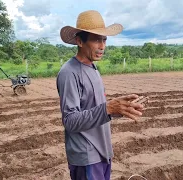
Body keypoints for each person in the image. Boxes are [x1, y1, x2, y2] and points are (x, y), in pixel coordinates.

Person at [56, 10, 144, 180]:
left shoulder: (93, 68)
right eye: (96, 39)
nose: (102, 46)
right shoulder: (69, 73)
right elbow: (70, 121)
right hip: (86, 155)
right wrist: (108, 107)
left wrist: (118, 110)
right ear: (79, 41)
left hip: (102, 149)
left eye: (104, 40)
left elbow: (96, 109)